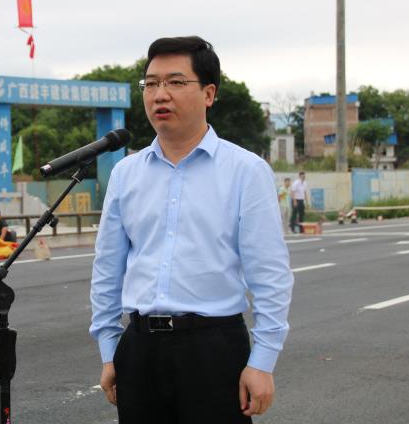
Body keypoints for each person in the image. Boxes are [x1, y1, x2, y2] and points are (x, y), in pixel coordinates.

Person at [90, 36, 294, 423]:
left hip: (213, 349)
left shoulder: (245, 171)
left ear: (209, 93)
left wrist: (262, 361)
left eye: (175, 82)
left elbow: (270, 273)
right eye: (151, 83)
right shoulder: (126, 173)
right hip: (139, 349)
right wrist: (109, 348)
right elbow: (107, 267)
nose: (160, 94)